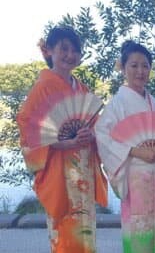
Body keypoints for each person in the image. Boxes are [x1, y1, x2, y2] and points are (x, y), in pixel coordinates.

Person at [16, 26, 108, 252]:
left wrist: (92, 134)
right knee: (66, 234)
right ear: (49, 51)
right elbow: (29, 132)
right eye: (64, 49)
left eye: (75, 50)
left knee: (85, 231)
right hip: (60, 173)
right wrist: (62, 142)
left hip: (83, 172)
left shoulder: (81, 88)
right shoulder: (43, 87)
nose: (70, 55)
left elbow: (94, 124)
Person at [95, 40, 155, 253]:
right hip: (134, 176)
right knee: (138, 230)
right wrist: (136, 150)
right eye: (134, 65)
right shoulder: (116, 105)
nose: (140, 71)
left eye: (145, 65)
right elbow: (103, 137)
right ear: (123, 67)